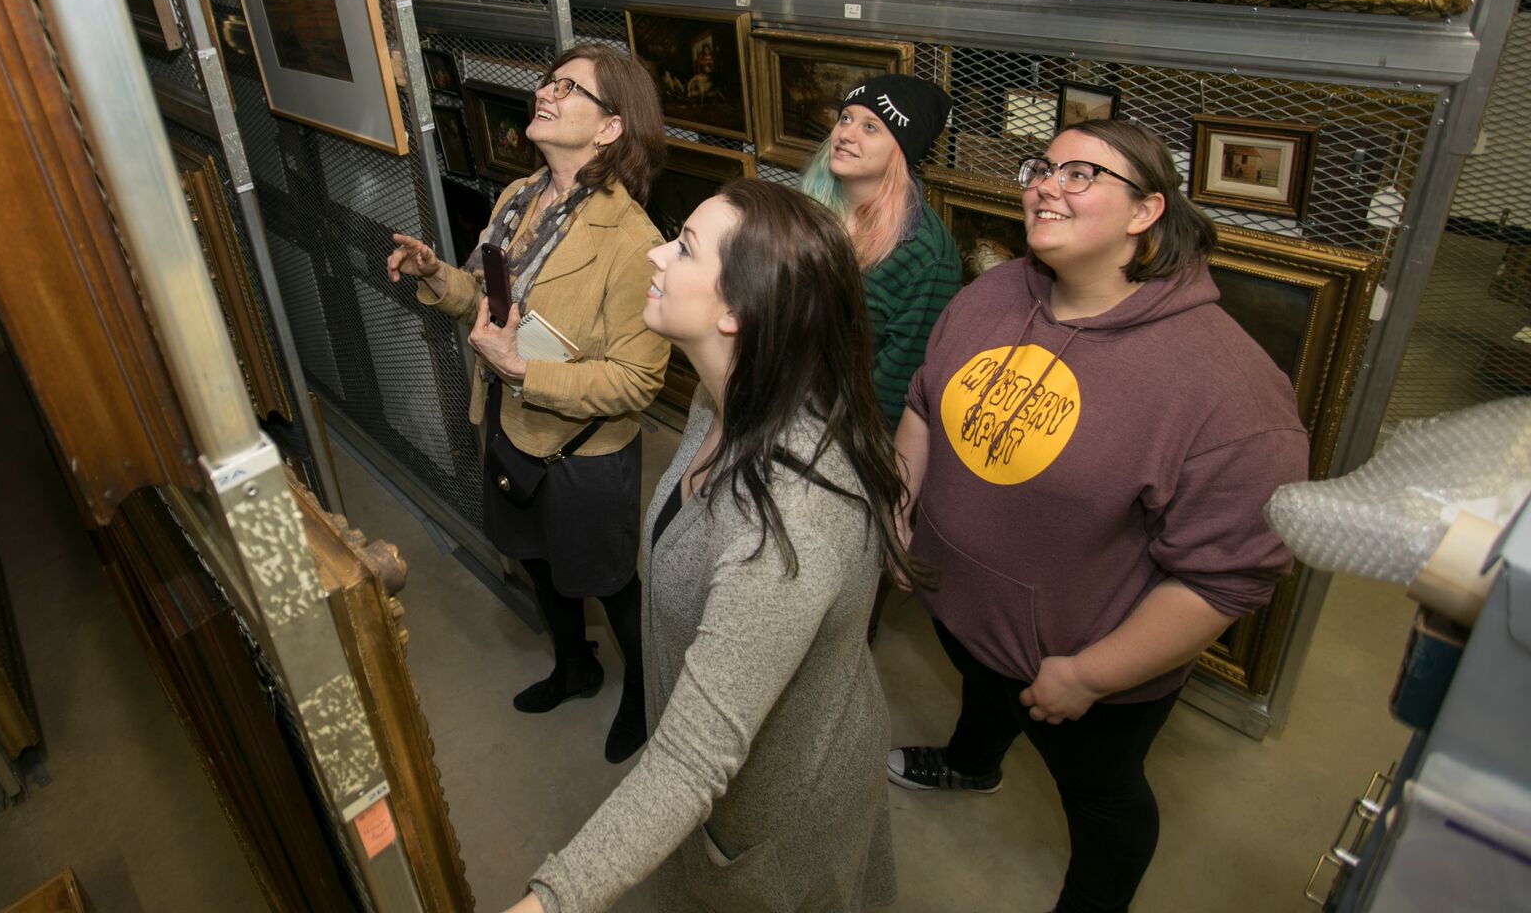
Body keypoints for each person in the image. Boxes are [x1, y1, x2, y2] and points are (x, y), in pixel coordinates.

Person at [888, 119, 1306, 913]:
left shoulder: (1229, 390)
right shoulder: (997, 289)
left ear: (1146, 211)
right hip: (964, 609)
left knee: (1104, 798)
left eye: (1080, 174)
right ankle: (974, 762)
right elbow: (924, 403)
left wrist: (1089, 674)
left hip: (1080, 671)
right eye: (1041, 168)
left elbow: (1225, 581)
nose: (1045, 184)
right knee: (980, 692)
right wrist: (901, 513)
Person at [504, 179, 923, 913]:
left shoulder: (789, 521)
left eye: (686, 247)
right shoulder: (719, 399)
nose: (658, 255)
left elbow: (691, 762)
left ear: (738, 311)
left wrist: (548, 901)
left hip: (776, 816)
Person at [387, 44, 668, 763]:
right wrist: (436, 276)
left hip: (584, 455)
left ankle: (644, 693)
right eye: (550, 80)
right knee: (538, 562)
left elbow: (638, 383)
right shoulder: (517, 198)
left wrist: (525, 373)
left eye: (570, 88)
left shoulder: (634, 241)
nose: (546, 91)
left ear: (609, 129)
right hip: (510, 425)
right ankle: (574, 667)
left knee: (609, 582)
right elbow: (492, 304)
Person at [799, 74, 961, 430]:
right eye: (846, 118)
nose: (846, 134)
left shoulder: (925, 257)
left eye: (871, 127)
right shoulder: (809, 207)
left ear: (902, 149)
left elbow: (892, 394)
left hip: (840, 433)